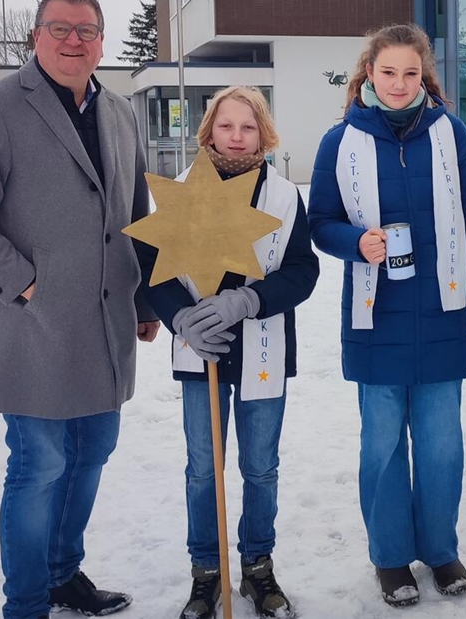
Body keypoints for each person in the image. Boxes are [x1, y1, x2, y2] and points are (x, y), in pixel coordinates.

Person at [0, 0, 160, 619]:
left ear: (101, 42)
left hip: (107, 324)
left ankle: (63, 575)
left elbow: (134, 214)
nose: (72, 41)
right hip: (34, 328)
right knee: (39, 466)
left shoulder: (119, 111)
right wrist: (26, 282)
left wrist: (144, 301)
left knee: (93, 453)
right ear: (35, 36)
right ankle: (27, 602)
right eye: (59, 28)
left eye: (86, 31)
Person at [307, 23, 466, 608]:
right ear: (369, 73)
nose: (398, 83)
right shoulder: (339, 141)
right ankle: (391, 558)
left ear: (424, 76)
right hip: (377, 314)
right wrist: (355, 242)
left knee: (442, 446)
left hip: (442, 309)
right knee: (382, 446)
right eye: (388, 72)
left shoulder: (451, 133)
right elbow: (321, 222)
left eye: (410, 73)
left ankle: (440, 550)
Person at [139, 86, 318, 619]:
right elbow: (154, 271)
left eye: (248, 127)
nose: (237, 137)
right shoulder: (182, 192)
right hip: (203, 354)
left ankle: (258, 566)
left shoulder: (283, 196)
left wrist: (251, 299)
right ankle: (206, 571)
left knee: (261, 468)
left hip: (262, 347)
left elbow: (302, 271)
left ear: (264, 133)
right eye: (226, 126)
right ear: (209, 131)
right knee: (202, 468)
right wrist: (180, 317)